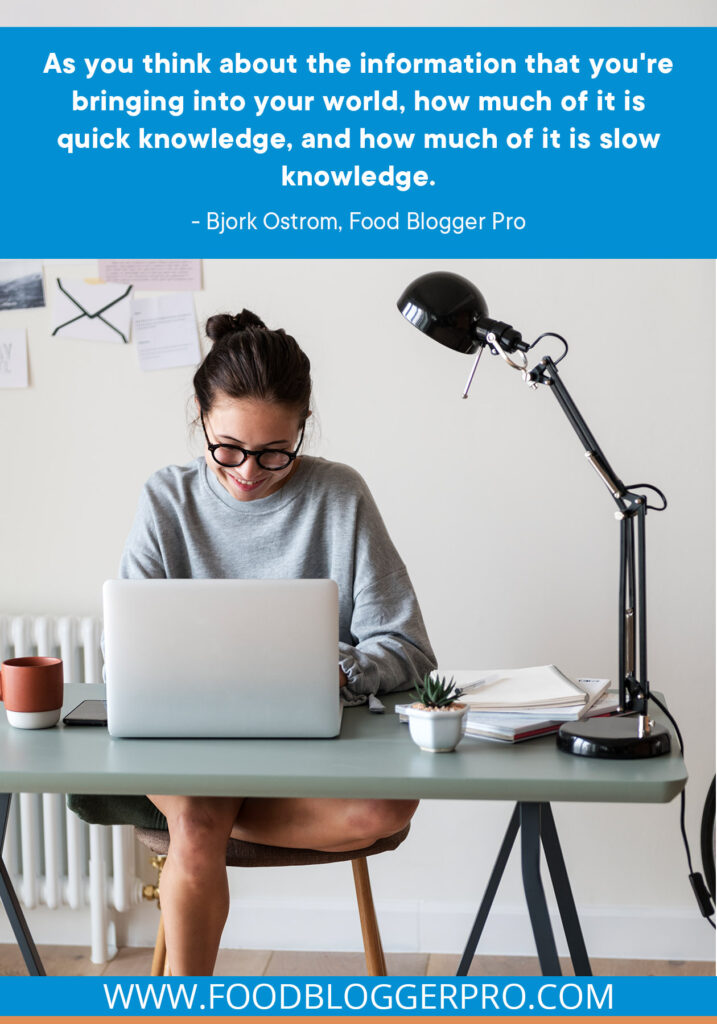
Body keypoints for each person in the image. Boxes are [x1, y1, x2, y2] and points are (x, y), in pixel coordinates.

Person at [117, 308, 437, 975]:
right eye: (227, 448)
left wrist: (337, 673)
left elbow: (405, 646)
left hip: (310, 744)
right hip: (186, 737)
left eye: (274, 453)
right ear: (200, 420)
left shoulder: (338, 495)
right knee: (198, 828)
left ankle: (211, 813)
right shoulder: (165, 500)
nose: (247, 472)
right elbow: (134, 644)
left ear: (302, 430)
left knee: (384, 808)